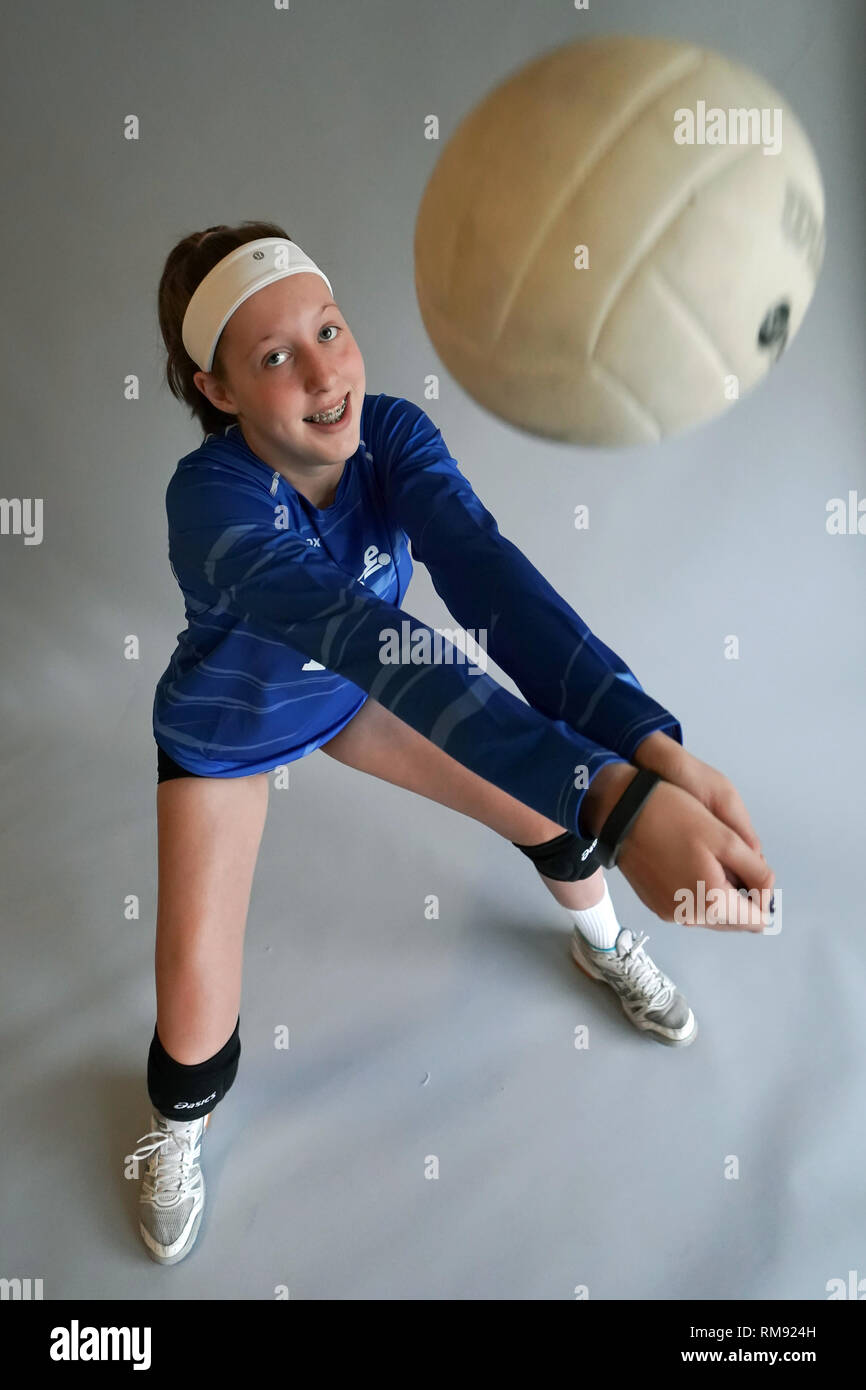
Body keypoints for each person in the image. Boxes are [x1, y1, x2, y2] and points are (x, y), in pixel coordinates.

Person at [131, 220, 775, 1266]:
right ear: (218, 391)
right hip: (232, 727)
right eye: (274, 357)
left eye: (329, 329)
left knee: (552, 814)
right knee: (195, 1013)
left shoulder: (388, 432)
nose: (323, 372)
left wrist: (640, 744)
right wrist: (612, 792)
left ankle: (603, 942)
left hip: (354, 699)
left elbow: (484, 573)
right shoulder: (206, 500)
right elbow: (370, 635)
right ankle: (176, 1129)